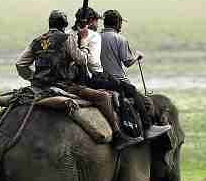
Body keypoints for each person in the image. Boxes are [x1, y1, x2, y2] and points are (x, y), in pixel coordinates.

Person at [15, 10, 142, 150]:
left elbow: (20, 64)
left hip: (39, 87)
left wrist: (34, 78)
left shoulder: (38, 41)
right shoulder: (66, 38)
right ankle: (118, 135)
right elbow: (82, 60)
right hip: (64, 86)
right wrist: (84, 44)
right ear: (64, 25)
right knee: (104, 97)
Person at [99, 9, 170, 138]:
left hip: (99, 79)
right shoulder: (119, 39)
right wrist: (137, 56)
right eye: (120, 23)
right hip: (117, 80)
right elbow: (127, 62)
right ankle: (148, 127)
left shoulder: (96, 37)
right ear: (117, 23)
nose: (121, 26)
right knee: (143, 101)